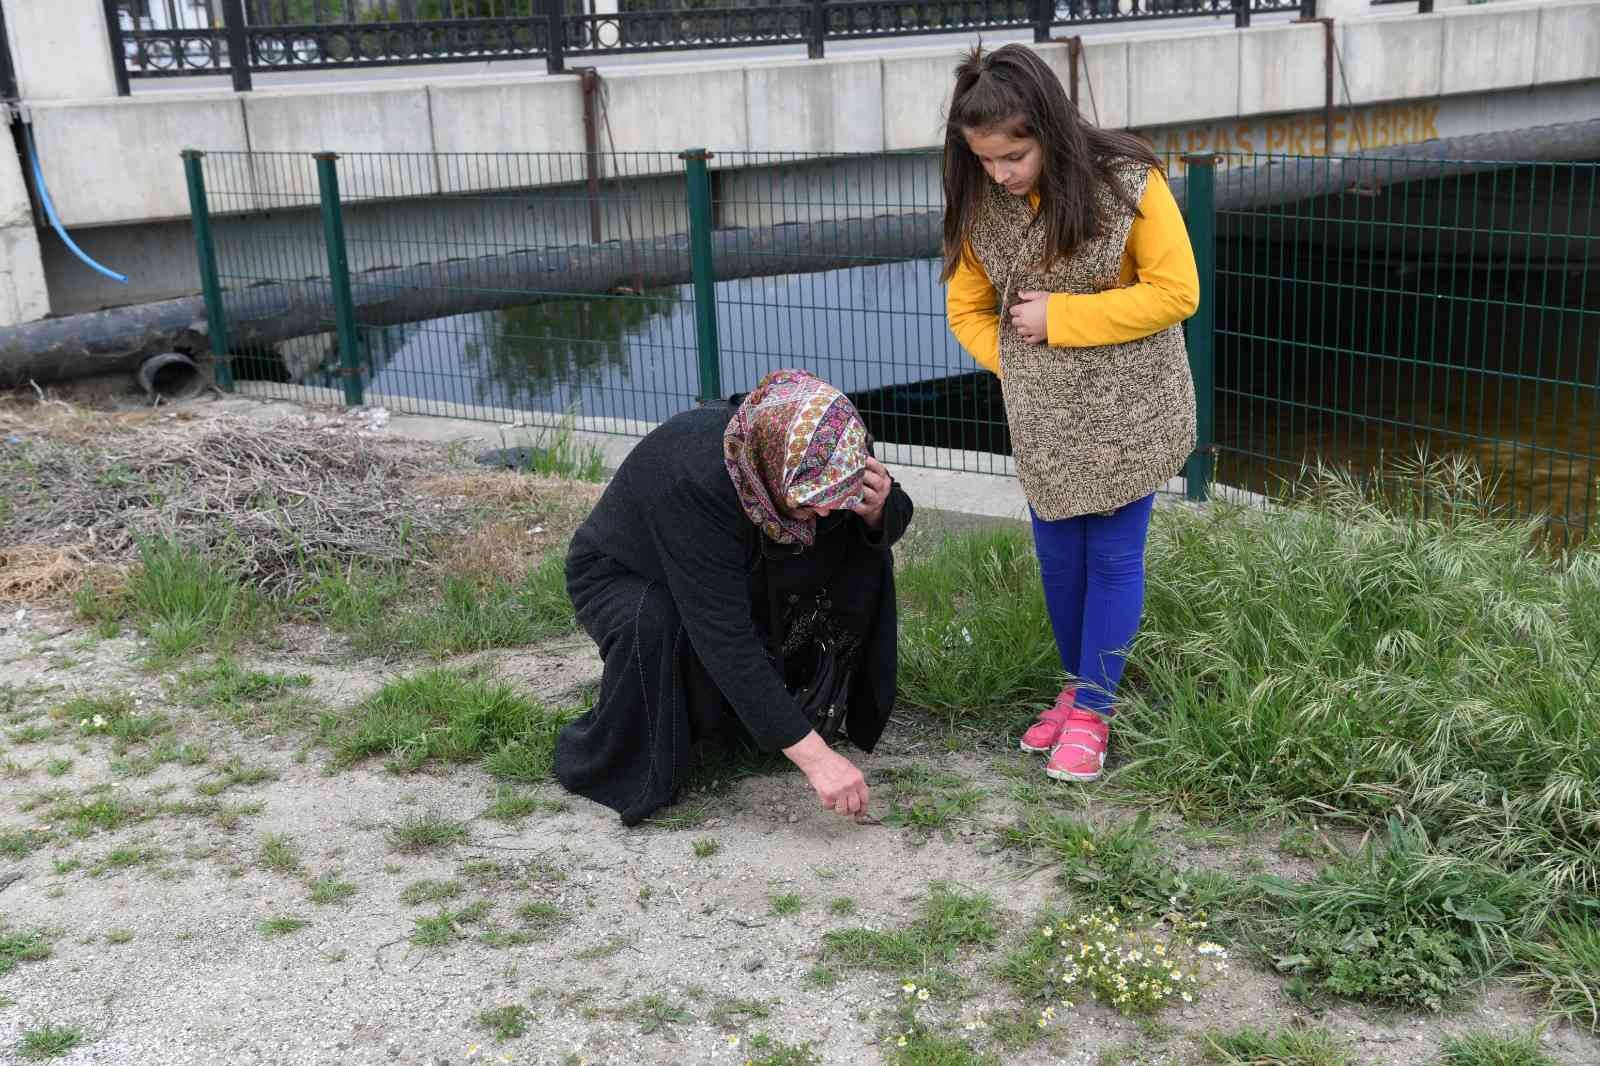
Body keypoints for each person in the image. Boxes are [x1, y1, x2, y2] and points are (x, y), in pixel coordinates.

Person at [942, 44, 1199, 782]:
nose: (1000, 172)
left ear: (1049, 127)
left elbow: (1177, 292)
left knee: (1113, 553)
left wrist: (1064, 320)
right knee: (1058, 555)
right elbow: (966, 306)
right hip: (1045, 413)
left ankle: (1094, 709)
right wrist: (1019, 364)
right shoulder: (977, 198)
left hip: (1133, 404)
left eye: (1014, 155)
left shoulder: (1126, 183)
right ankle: (1077, 685)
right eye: (985, 158)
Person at [553, 369, 914, 825]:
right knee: (658, 621)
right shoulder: (692, 479)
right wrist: (817, 760)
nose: (824, 509)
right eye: (810, 501)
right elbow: (724, 635)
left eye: (834, 495)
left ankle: (793, 701)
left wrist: (879, 510)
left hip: (740, 561)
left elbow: (888, 521)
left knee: (858, 541)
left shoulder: (832, 436)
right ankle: (663, 737)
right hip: (628, 575)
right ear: (769, 467)